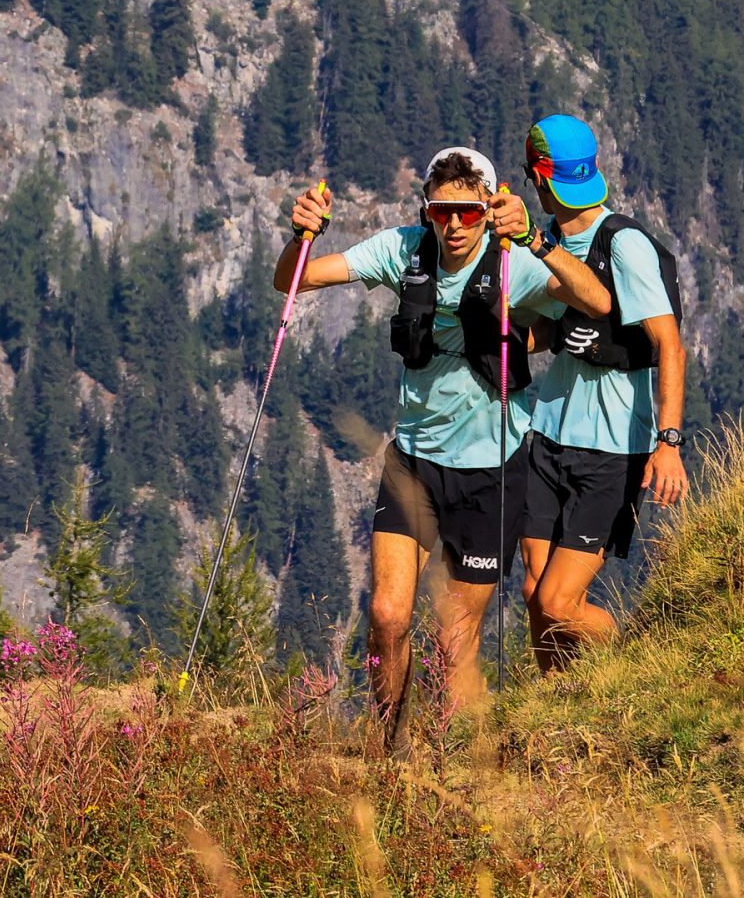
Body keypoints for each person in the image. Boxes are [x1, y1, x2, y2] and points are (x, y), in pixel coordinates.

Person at [278, 148, 611, 738]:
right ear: (426, 211)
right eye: (440, 212)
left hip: (492, 471)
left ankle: (446, 758)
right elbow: (295, 279)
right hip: (412, 461)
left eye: (467, 212)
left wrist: (536, 238)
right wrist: (300, 234)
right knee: (385, 615)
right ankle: (386, 745)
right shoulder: (403, 248)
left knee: (452, 640)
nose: (454, 225)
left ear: (486, 210)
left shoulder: (512, 259)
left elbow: (597, 302)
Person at [513, 114, 690, 668]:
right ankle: (557, 709)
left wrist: (669, 443)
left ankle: (638, 665)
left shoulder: (624, 243)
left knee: (559, 602)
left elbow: (669, 344)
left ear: (540, 179)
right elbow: (556, 331)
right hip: (548, 433)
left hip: (613, 447)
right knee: (534, 597)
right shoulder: (558, 243)